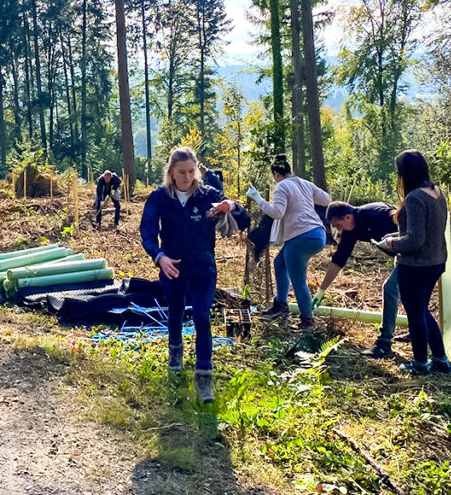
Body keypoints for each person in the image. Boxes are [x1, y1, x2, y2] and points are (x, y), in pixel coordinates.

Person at [140, 147, 248, 403]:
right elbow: (147, 229)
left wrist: (233, 205)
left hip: (203, 267)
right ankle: (175, 353)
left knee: (201, 315)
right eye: (182, 172)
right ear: (171, 172)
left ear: (197, 170)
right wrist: (159, 256)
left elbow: (243, 221)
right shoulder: (160, 197)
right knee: (175, 310)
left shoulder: (208, 195)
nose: (187, 177)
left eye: (191, 171)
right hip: (173, 266)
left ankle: (203, 376)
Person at [376, 149, 451, 375]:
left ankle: (420, 364)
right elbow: (426, 232)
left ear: (405, 173)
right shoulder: (436, 191)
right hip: (436, 261)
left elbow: (416, 239)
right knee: (422, 311)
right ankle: (440, 359)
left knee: (415, 314)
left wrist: (391, 244)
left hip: (417, 265)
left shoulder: (415, 198)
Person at [246, 155, 331, 329]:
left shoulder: (282, 186)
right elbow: (327, 199)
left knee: (298, 280)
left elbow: (277, 212)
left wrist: (258, 198)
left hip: (301, 236)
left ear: (276, 173)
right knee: (280, 263)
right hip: (318, 234)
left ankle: (307, 320)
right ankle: (281, 304)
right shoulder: (305, 183)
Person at [315, 201, 400, 358]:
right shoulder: (350, 230)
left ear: (347, 217)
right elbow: (339, 260)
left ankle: (384, 344)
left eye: (338, 225)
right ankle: (418, 333)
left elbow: (406, 226)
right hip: (399, 254)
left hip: (413, 252)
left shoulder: (377, 214)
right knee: (407, 294)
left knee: (391, 289)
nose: (338, 230)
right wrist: (321, 291)